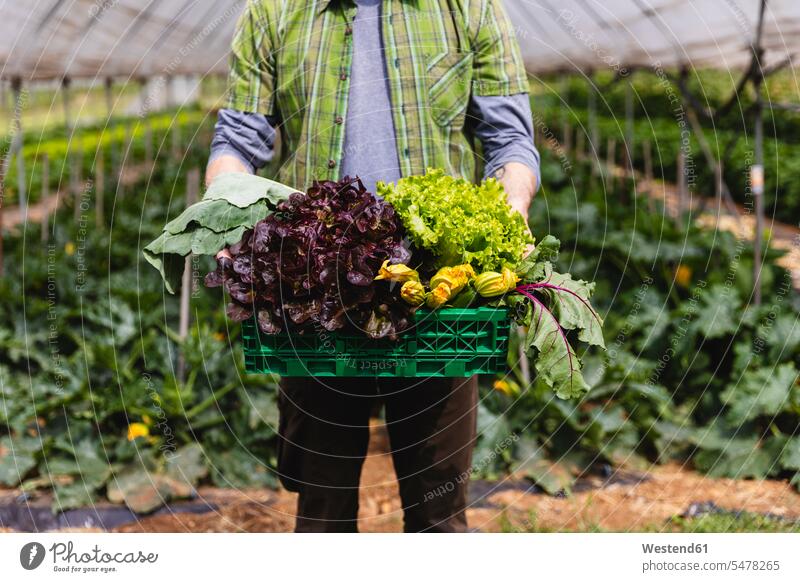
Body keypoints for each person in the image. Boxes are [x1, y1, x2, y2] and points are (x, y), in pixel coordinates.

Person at [206, 0, 540, 532]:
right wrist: (223, 210)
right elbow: (237, 142)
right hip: (313, 294)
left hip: (437, 298)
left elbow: (509, 141)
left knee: (438, 515)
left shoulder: (469, 9)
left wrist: (511, 208)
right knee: (322, 514)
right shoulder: (273, 12)